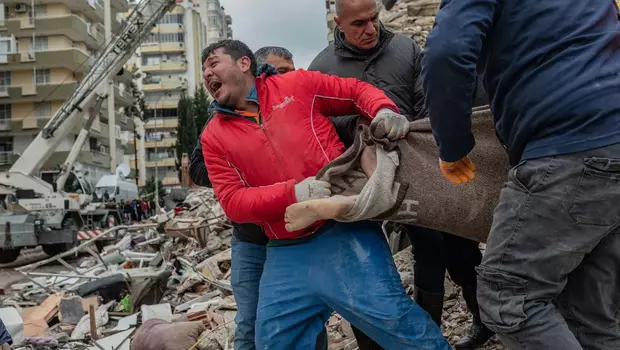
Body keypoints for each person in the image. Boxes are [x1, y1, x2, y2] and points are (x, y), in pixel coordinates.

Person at [200, 39, 449, 349]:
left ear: (243, 63)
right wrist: (293, 193)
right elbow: (234, 203)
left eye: (213, 63)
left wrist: (383, 109)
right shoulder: (214, 135)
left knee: (397, 323)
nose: (207, 74)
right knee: (273, 343)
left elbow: (355, 92)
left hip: (343, 233)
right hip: (287, 252)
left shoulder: (297, 84)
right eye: (203, 70)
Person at [422, 0, 620, 349]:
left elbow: (447, 52)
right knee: (589, 315)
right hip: (610, 139)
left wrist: (452, 147)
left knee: (507, 297)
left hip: (567, 146)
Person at [309, 1, 492, 347]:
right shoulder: (323, 67)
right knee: (368, 264)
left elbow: (429, 100)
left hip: (422, 167)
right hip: (365, 178)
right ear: (339, 24)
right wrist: (359, 128)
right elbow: (324, 124)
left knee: (453, 247)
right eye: (359, 23)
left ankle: (477, 323)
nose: (371, 28)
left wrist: (415, 135)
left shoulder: (404, 48)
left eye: (374, 19)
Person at [190, 46, 377, 350]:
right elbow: (201, 170)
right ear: (254, 69)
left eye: (287, 71)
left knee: (314, 316)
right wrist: (256, 177)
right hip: (253, 239)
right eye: (276, 71)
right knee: (254, 324)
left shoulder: (296, 95)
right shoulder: (220, 123)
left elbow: (344, 107)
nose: (282, 78)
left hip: (310, 231)